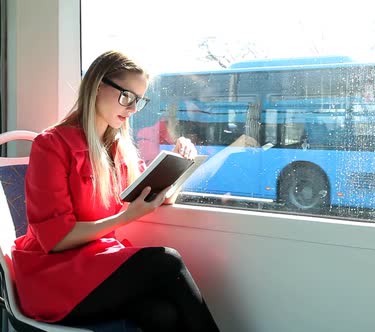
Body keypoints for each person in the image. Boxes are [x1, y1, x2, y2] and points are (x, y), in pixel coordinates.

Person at [11, 50, 220, 332]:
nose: (133, 109)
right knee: (166, 261)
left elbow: (150, 196)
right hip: (53, 276)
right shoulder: (51, 145)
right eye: (127, 97)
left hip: (96, 264)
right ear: (98, 86)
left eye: (139, 101)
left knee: (162, 314)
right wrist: (124, 217)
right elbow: (55, 240)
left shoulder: (118, 148)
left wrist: (180, 166)